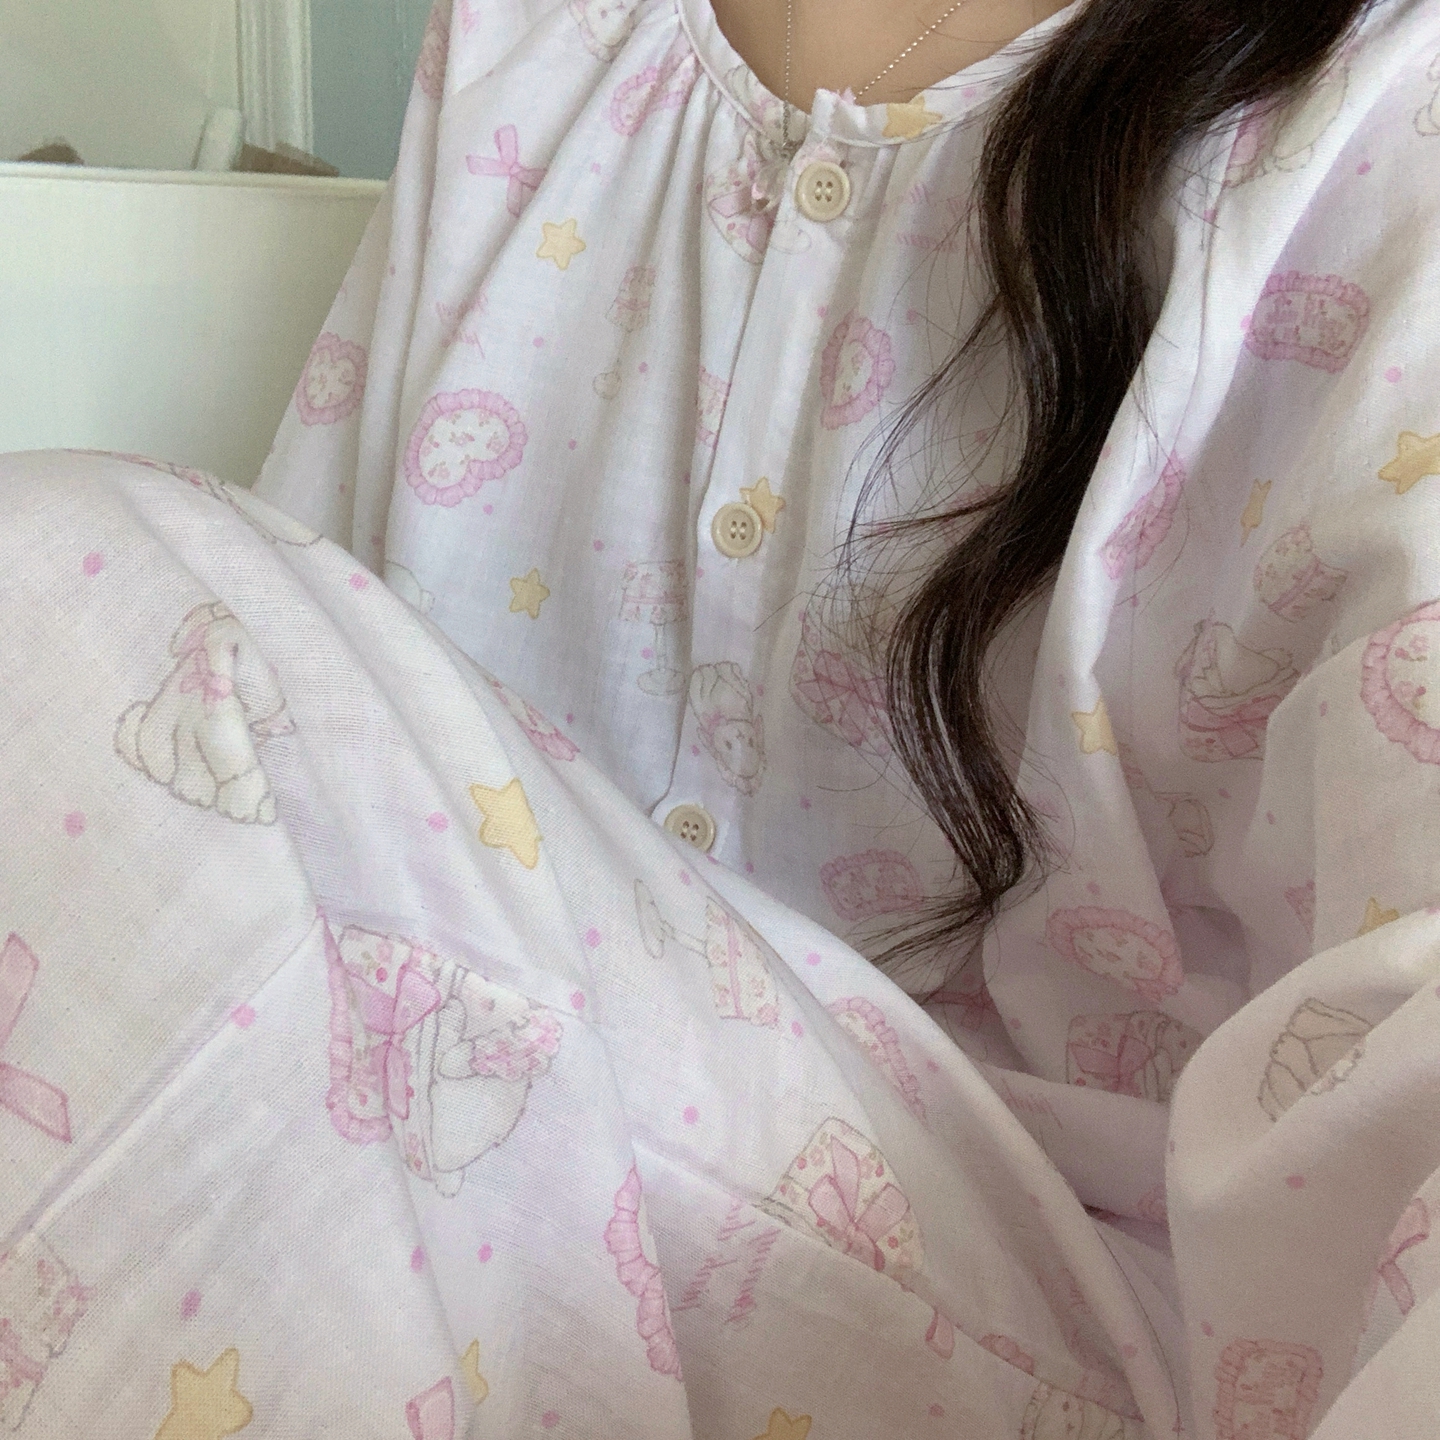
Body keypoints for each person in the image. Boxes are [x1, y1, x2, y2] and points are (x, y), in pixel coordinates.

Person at [1, 0, 1438, 1434]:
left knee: (64, 589)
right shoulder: (531, 37)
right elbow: (303, 779)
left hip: (1099, 1340)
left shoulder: (1383, 126)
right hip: (459, 1246)